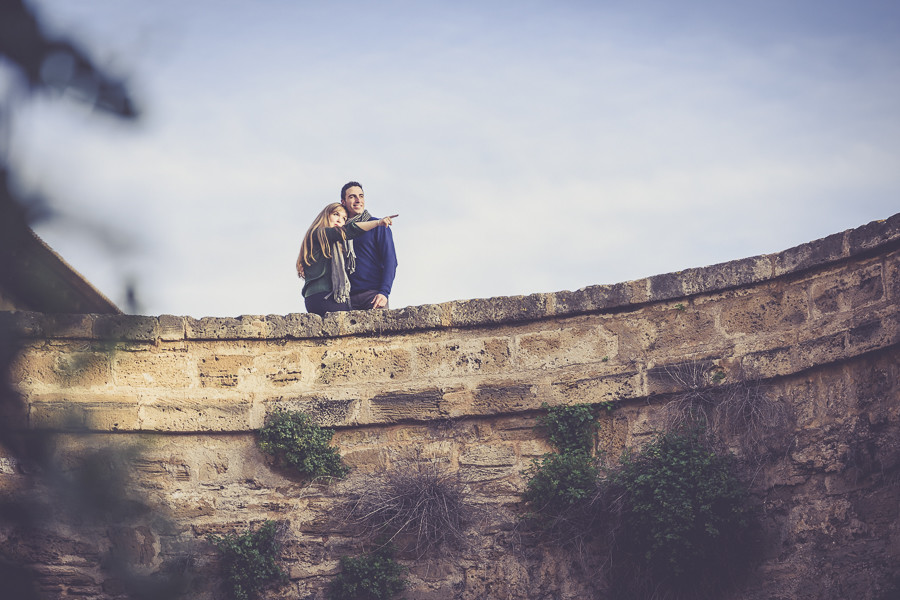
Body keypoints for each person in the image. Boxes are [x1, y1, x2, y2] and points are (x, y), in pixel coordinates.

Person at [296, 202, 397, 317]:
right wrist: (378, 223)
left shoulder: (327, 240)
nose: (340, 220)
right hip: (324, 297)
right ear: (325, 216)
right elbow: (348, 231)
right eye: (336, 214)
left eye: (344, 218)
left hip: (315, 299)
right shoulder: (319, 233)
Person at [340, 181, 398, 310]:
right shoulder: (340, 232)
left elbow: (390, 260)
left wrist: (384, 292)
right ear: (343, 202)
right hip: (345, 300)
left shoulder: (378, 225)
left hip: (373, 296)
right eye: (352, 197)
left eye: (361, 196)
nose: (358, 200)